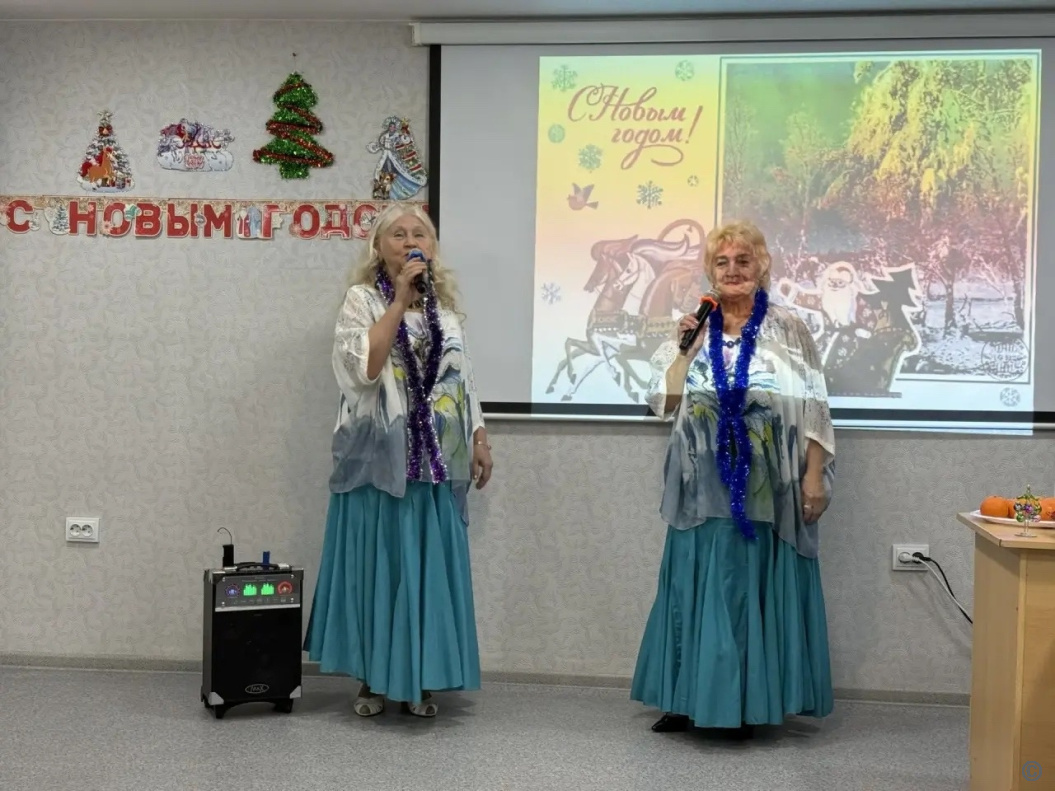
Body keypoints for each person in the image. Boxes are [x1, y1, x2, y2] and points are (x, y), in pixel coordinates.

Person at [630, 220, 835, 738]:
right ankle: (685, 698)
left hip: (769, 487)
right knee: (693, 587)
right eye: (722, 262)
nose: (733, 270)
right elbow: (663, 403)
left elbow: (816, 406)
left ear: (762, 265)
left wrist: (815, 476)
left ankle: (744, 702)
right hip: (700, 487)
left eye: (744, 260)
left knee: (747, 588)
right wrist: (685, 351)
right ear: (709, 271)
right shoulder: (691, 328)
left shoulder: (789, 327)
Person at [303, 202, 493, 718]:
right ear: (379, 246)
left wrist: (479, 436)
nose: (411, 242)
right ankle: (372, 678)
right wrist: (399, 302)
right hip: (376, 461)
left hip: (437, 464)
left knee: (424, 570)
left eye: (420, 234)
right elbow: (363, 367)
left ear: (432, 247)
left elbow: (463, 380)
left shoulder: (446, 312)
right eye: (399, 234)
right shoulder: (361, 300)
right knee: (380, 567)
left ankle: (419, 678)